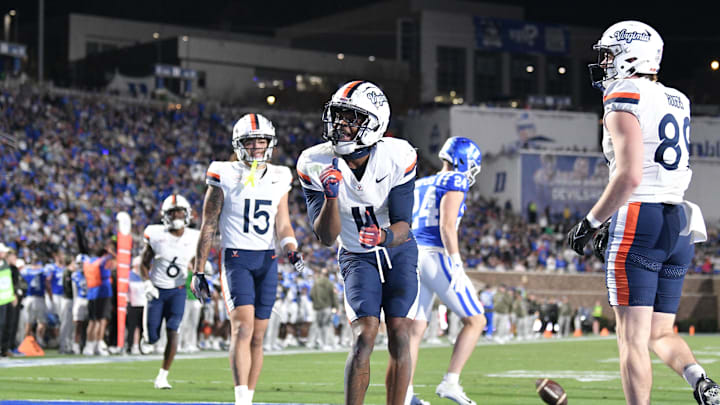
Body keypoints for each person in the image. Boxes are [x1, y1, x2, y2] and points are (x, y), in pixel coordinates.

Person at [568, 20, 719, 405]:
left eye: (608, 55)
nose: (603, 64)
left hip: (640, 217)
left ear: (630, 55)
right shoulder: (676, 98)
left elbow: (630, 175)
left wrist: (591, 222)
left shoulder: (623, 92)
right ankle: (701, 381)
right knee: (659, 332)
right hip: (680, 223)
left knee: (631, 338)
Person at [297, 80, 419, 405]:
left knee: (400, 334)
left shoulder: (398, 155)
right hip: (355, 254)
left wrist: (384, 235)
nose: (340, 124)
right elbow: (325, 237)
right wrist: (331, 197)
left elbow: (405, 225)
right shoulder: (314, 162)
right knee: (364, 336)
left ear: (374, 124)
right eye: (338, 116)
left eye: (351, 118)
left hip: (396, 250)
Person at [191, 113, 305, 405]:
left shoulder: (280, 175)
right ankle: (240, 398)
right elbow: (208, 224)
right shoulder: (223, 172)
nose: (256, 147)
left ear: (270, 143)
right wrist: (198, 270)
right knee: (243, 327)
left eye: (261, 141)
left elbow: (283, 223)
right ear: (239, 144)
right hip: (236, 258)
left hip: (267, 260)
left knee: (259, 335)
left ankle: (249, 397)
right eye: (250, 141)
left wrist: (291, 248)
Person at [408, 136, 486, 405]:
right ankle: (450, 382)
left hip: (412, 254)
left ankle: (405, 395)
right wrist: (456, 262)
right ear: (463, 161)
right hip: (435, 254)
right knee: (476, 320)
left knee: (415, 328)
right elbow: (447, 226)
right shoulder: (455, 180)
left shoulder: (421, 183)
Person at [139, 193, 200, 388]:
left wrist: (200, 267)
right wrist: (147, 283)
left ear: (187, 214)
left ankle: (162, 376)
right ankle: (147, 338)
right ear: (165, 215)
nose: (176, 217)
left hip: (178, 290)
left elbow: (193, 260)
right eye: (172, 213)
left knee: (174, 330)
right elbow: (143, 263)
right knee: (153, 337)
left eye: (180, 213)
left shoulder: (194, 237)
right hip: (157, 290)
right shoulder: (156, 234)